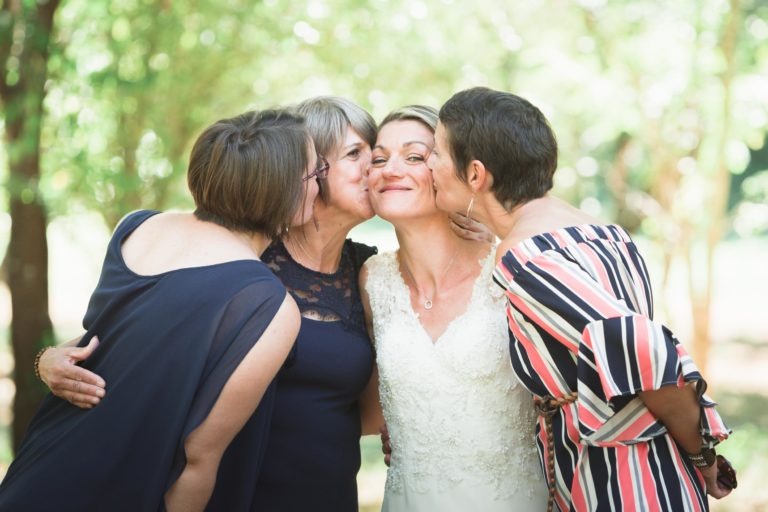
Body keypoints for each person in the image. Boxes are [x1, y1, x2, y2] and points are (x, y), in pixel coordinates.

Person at [37, 96, 384, 512]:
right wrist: (48, 360)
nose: (375, 167)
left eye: (375, 153)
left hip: (323, 494)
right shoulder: (240, 262)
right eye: (354, 153)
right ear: (306, 170)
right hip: (225, 494)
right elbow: (132, 345)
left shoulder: (369, 271)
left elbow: (366, 412)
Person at [428, 86, 735, 511]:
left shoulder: (526, 259)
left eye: (435, 153)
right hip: (654, 476)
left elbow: (642, 346)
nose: (429, 165)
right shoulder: (603, 232)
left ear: (476, 175)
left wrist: (701, 454)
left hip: (622, 486)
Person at [361, 105, 548, 511]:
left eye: (415, 156)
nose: (390, 170)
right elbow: (368, 408)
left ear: (455, 170)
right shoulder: (372, 280)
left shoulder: (510, 267)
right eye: (378, 158)